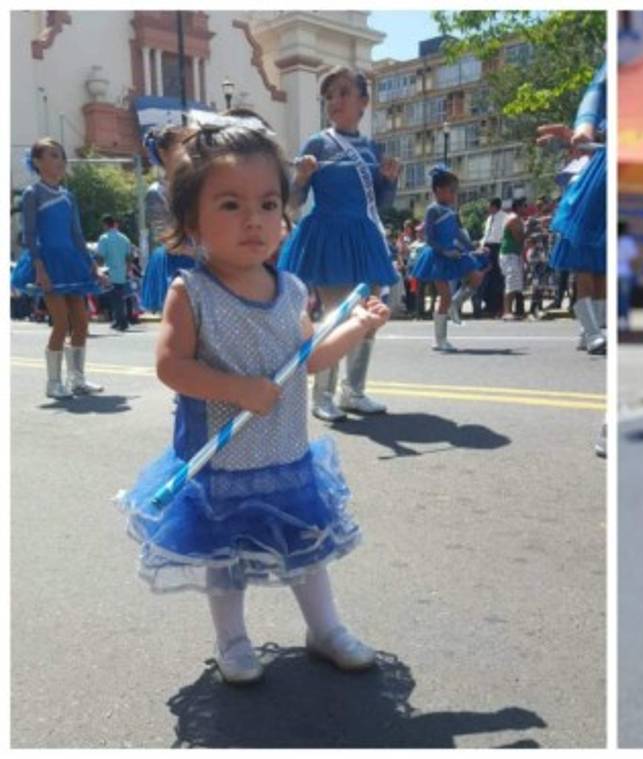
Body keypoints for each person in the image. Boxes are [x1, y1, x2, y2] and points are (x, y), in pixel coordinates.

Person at [116, 123, 391, 684]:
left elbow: (309, 358)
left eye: (268, 204)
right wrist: (239, 389)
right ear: (192, 221)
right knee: (225, 559)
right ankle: (233, 641)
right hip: (221, 464)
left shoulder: (291, 288)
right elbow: (172, 367)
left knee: (305, 549)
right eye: (230, 204)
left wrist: (356, 327)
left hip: (285, 455)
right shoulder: (191, 292)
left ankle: (325, 628)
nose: (254, 220)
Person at [278, 66, 400, 422]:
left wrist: (389, 181)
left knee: (370, 315)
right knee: (340, 314)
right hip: (330, 237)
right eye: (329, 95)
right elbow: (294, 203)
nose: (335, 101)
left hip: (363, 237)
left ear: (364, 101)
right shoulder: (318, 144)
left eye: (344, 93)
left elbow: (381, 203)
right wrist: (301, 177)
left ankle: (354, 391)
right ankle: (323, 395)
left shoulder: (372, 148)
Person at [11, 138, 105, 398]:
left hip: (71, 262)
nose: (60, 161)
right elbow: (30, 235)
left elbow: (77, 234)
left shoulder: (68, 196)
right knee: (61, 323)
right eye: (53, 155)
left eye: (61, 155)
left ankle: (77, 379)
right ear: (37, 161)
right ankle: (53, 383)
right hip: (48, 262)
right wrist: (40, 269)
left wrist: (93, 267)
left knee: (82, 323)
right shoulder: (33, 193)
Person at [537, 62, 608, 355]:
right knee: (585, 269)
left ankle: (592, 329)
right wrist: (572, 132)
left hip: (602, 197)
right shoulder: (608, 76)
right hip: (586, 201)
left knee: (602, 272)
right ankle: (592, 332)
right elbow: (593, 99)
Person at [411, 166, 486, 351]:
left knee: (476, 276)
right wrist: (444, 251)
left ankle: (456, 303)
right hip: (438, 257)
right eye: (450, 190)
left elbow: (458, 233)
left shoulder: (452, 210)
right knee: (444, 296)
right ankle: (440, 339)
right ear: (438, 190)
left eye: (455, 191)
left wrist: (474, 248)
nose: (454, 195)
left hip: (454, 252)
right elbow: (429, 238)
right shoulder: (433, 210)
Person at [140, 125, 196, 314]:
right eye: (182, 145)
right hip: (176, 262)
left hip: (201, 257)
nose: (189, 151)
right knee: (181, 319)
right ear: (163, 153)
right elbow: (166, 237)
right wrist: (204, 255)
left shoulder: (197, 185)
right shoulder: (157, 192)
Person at [95, 214, 133, 331]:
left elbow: (100, 257)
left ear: (105, 225)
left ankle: (122, 322)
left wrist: (97, 269)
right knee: (118, 297)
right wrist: (128, 270)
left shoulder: (104, 238)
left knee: (116, 298)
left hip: (109, 272)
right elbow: (129, 257)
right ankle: (117, 321)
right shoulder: (124, 238)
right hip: (121, 272)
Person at [478, 197, 509, 318]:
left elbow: (503, 235)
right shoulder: (489, 218)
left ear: (494, 206)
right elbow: (486, 234)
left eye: (489, 206)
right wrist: (481, 245)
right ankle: (489, 304)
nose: (488, 208)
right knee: (487, 278)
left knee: (497, 278)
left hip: (497, 247)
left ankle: (498, 306)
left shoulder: (504, 217)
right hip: (487, 248)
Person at [500, 197, 528, 320]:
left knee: (514, 283)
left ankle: (509, 311)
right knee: (511, 283)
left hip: (512, 253)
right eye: (524, 206)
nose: (526, 208)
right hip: (510, 253)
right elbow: (519, 238)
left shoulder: (515, 218)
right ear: (518, 207)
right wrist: (529, 232)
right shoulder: (514, 219)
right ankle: (507, 311)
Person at [617, 220, 640, 333]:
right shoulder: (628, 242)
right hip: (625, 273)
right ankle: (624, 320)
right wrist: (635, 271)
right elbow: (633, 259)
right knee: (624, 298)